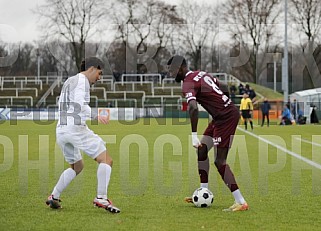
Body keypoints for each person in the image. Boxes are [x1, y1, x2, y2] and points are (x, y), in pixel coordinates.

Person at [167, 55, 249, 212]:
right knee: (202, 149)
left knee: (220, 162)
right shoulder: (201, 73)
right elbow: (223, 86)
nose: (171, 74)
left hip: (225, 118)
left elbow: (192, 108)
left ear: (180, 68)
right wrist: (221, 105)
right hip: (221, 116)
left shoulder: (187, 83)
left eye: (172, 71)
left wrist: (193, 134)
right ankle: (203, 191)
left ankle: (241, 202)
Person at [46, 57, 120, 213]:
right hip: (75, 129)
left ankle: (54, 195)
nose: (99, 78)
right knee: (106, 159)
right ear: (91, 68)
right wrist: (96, 115)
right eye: (99, 73)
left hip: (61, 130)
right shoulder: (82, 81)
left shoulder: (69, 81)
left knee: (77, 166)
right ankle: (101, 197)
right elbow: (79, 103)